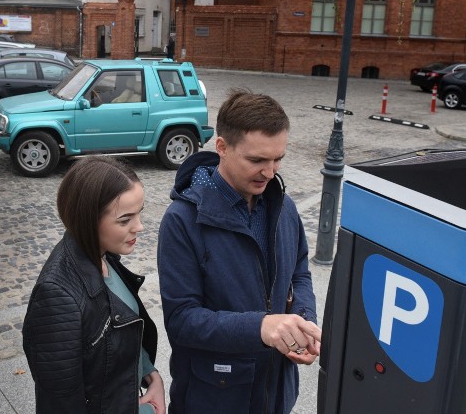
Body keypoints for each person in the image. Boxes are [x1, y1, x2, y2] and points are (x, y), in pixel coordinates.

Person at [157, 89, 321, 413]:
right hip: (215, 399)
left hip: (276, 394)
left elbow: (299, 270)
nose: (270, 172)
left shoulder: (284, 207)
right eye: (257, 160)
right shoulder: (182, 221)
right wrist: (262, 327)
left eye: (278, 159)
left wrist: (301, 321)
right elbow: (182, 320)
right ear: (222, 147)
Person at [23, 156, 165, 414]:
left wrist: (151, 376)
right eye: (125, 220)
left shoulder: (104, 255)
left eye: (139, 213)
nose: (140, 227)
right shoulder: (57, 296)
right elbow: (60, 403)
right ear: (87, 219)